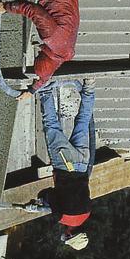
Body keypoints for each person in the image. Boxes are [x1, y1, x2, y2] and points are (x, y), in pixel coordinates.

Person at [21, 79, 96, 250]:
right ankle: (44, 88)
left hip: (83, 164)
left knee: (83, 122)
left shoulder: (87, 212)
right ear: (70, 235)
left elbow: (76, 193)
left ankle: (90, 87)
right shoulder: (62, 217)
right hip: (65, 165)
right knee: (51, 126)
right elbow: (48, 193)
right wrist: (41, 202)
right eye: (66, 237)